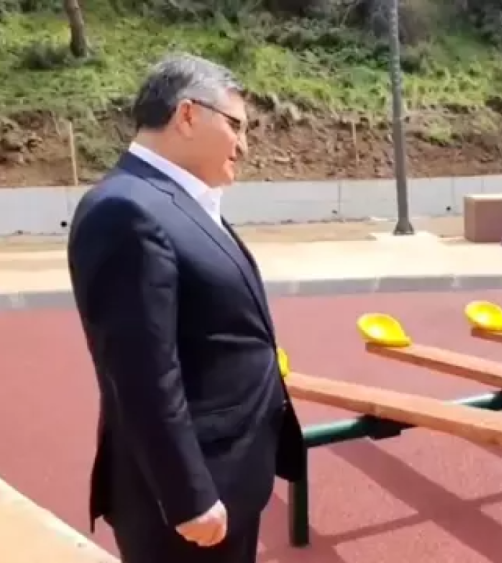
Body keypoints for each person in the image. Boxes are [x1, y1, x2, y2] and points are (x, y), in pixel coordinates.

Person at [67, 52, 306, 563]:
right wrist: (188, 496)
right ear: (188, 115)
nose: (243, 145)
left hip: (229, 474)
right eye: (236, 126)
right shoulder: (126, 209)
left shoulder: (177, 202)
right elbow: (141, 372)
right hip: (186, 500)